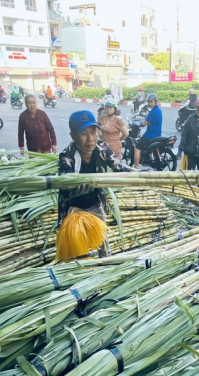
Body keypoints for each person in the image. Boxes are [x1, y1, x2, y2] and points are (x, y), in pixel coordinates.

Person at [57, 110, 128, 257]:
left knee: (104, 245)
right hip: (74, 209)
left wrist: (141, 174)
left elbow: (119, 167)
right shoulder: (67, 156)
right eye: (83, 133)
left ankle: (105, 263)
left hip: (95, 204)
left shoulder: (102, 148)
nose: (90, 139)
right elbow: (65, 181)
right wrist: (76, 186)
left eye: (93, 132)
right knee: (78, 250)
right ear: (73, 136)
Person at [133, 93, 162, 169]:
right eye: (148, 102)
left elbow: (144, 123)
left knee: (137, 148)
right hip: (158, 134)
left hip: (150, 135)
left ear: (155, 102)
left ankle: (135, 167)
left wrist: (139, 124)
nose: (149, 104)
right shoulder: (158, 110)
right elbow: (152, 121)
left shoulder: (153, 112)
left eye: (151, 102)